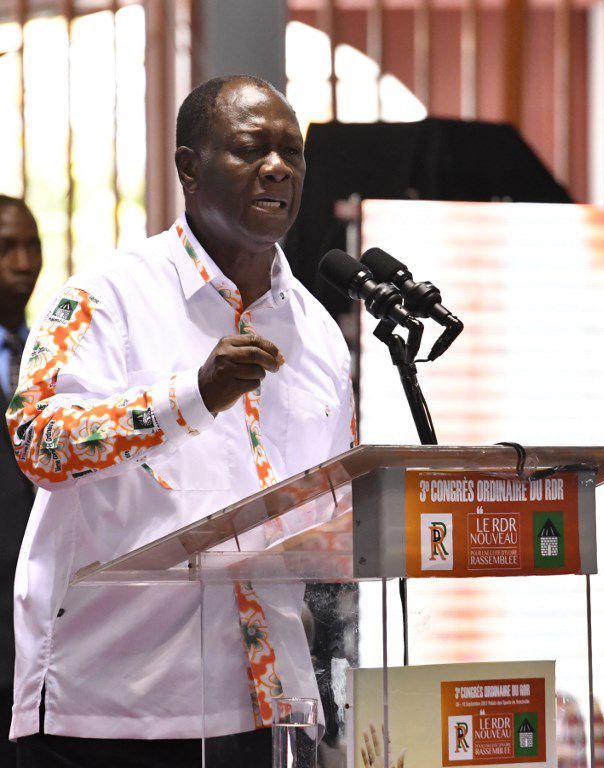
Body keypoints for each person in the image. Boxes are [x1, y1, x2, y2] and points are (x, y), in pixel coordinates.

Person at [6, 75, 356, 768]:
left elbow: (329, 514)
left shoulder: (318, 333)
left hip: (271, 714)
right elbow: (39, 444)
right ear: (189, 168)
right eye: (252, 147)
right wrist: (193, 394)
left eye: (291, 152)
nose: (278, 167)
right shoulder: (105, 298)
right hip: (112, 710)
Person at [0, 195, 41, 766]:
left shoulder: (53, 357)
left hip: (38, 608)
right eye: (6, 247)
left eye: (33, 246)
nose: (24, 261)